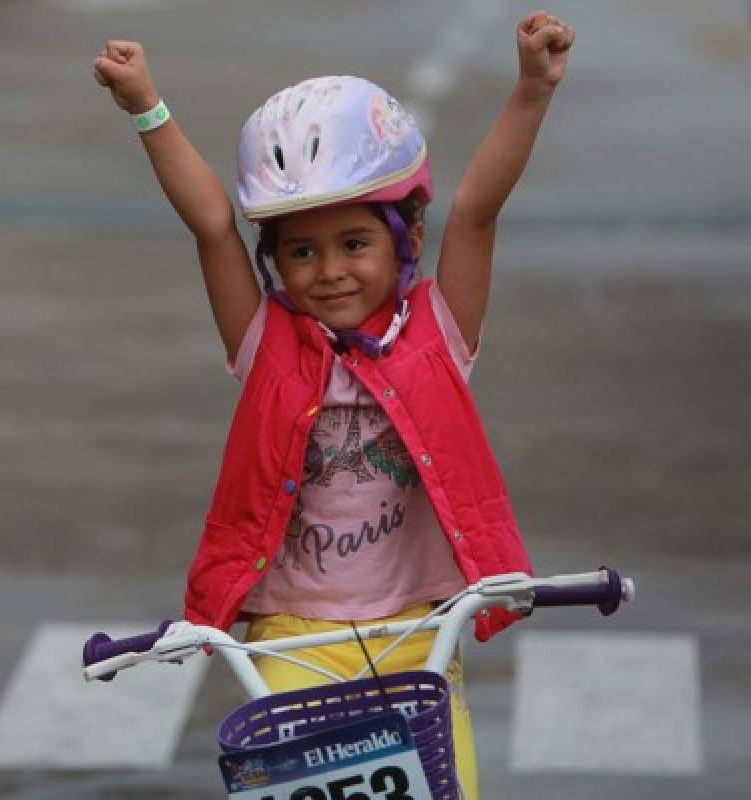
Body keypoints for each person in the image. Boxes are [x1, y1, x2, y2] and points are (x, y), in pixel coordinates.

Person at [94, 11, 574, 798]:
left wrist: (531, 88)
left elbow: (481, 206)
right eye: (302, 251)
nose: (329, 271)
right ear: (276, 262)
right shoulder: (267, 343)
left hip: (419, 634)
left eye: (355, 243)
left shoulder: (438, 333)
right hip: (290, 639)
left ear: (404, 237)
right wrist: (148, 107)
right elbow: (213, 224)